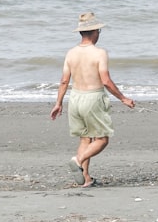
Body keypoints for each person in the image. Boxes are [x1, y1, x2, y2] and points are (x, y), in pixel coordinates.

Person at [50, 12, 135, 187]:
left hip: (75, 99)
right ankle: (78, 159)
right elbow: (106, 81)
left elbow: (64, 80)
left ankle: (85, 178)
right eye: (99, 31)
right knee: (102, 139)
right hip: (93, 98)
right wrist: (124, 99)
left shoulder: (71, 53)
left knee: (85, 138)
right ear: (94, 31)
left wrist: (58, 103)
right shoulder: (99, 53)